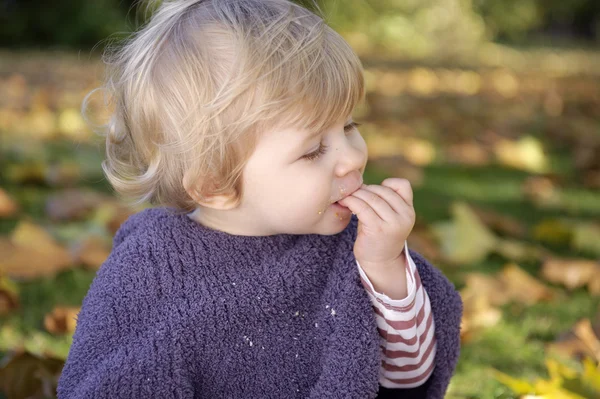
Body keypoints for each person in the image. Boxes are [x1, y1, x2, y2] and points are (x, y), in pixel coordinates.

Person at [57, 0, 462, 398]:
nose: (353, 155)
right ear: (216, 184)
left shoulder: (356, 249)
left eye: (349, 125)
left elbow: (405, 378)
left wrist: (385, 270)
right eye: (314, 150)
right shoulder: (151, 266)